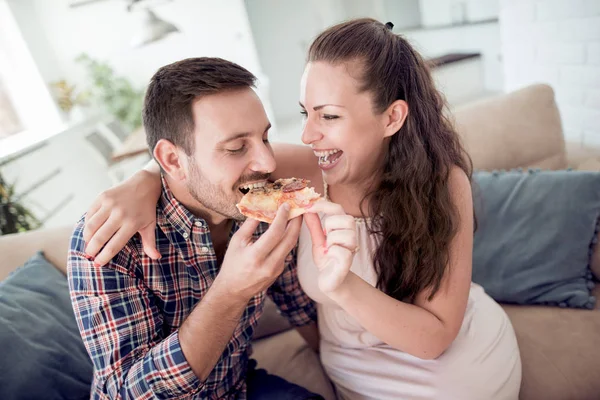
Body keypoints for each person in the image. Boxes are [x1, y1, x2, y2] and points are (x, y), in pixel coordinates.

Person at [82, 19, 522, 400]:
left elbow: (429, 338)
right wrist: (142, 178)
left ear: (392, 118)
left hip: (451, 366)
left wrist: (341, 286)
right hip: (348, 373)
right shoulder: (297, 175)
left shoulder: (436, 184)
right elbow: (198, 162)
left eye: (327, 116)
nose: (305, 137)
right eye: (304, 114)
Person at [67, 57, 357, 400]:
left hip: (238, 388)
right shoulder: (107, 241)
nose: (267, 162)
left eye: (265, 138)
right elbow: (126, 393)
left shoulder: (260, 204)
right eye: (236, 148)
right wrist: (230, 291)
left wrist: (354, 379)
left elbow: (300, 306)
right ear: (174, 160)